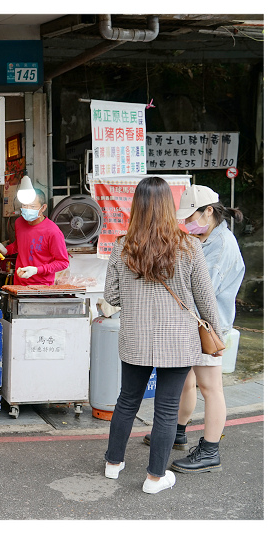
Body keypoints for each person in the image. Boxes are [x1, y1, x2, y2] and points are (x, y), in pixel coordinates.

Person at [102, 176, 222, 494]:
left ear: (136, 207)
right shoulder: (190, 246)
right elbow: (205, 299)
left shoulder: (122, 245)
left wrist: (136, 295)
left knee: (127, 401)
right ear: (169, 206)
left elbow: (111, 297)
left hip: (135, 338)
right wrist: (217, 336)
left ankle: (113, 464)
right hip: (180, 341)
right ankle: (155, 478)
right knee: (167, 409)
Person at [141, 185, 244, 474]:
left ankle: (210, 451)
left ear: (209, 211)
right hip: (192, 324)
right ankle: (177, 432)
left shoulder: (221, 245)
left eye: (191, 217)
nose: (187, 224)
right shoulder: (207, 238)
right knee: (185, 381)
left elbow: (202, 291)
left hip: (207, 327)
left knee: (210, 388)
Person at [0, 187, 68, 285]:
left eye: (33, 206)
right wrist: (6, 250)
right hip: (19, 284)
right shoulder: (19, 222)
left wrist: (37, 270)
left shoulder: (53, 232)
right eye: (25, 205)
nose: (28, 209)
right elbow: (20, 244)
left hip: (41, 287)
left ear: (43, 208)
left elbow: (63, 262)